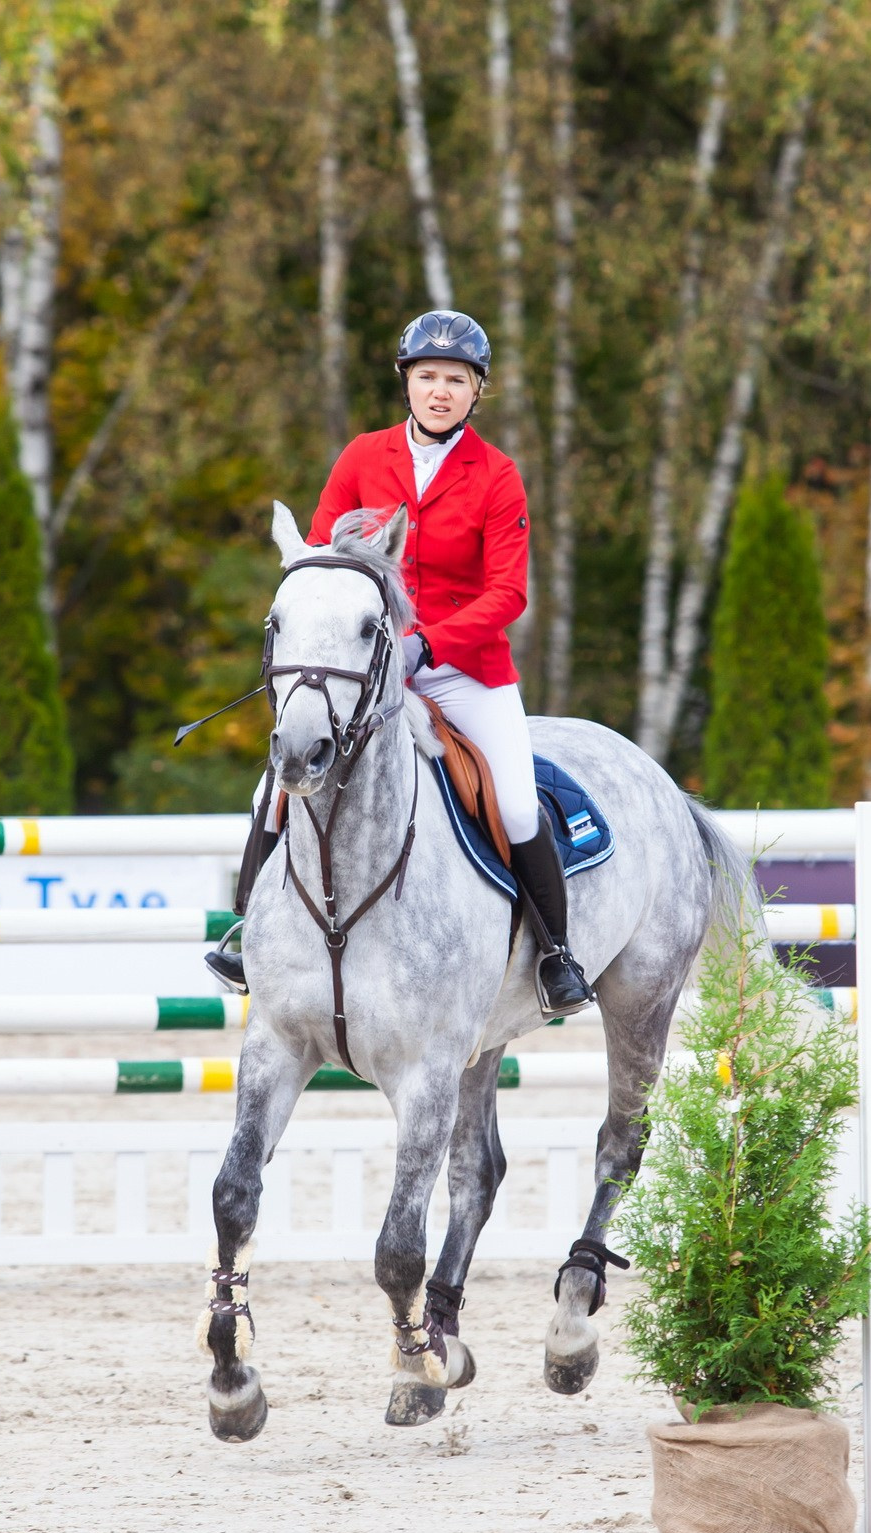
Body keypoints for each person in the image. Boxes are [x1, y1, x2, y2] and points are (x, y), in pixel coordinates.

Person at [206, 309, 594, 1016]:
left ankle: (556, 952)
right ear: (406, 384)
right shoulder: (362, 458)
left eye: (455, 379)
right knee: (280, 783)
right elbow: (320, 558)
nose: (439, 390)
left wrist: (428, 643)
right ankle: (245, 934)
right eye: (426, 377)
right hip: (362, 667)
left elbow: (508, 591)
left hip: (464, 668)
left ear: (477, 391)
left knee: (511, 799)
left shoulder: (497, 476)